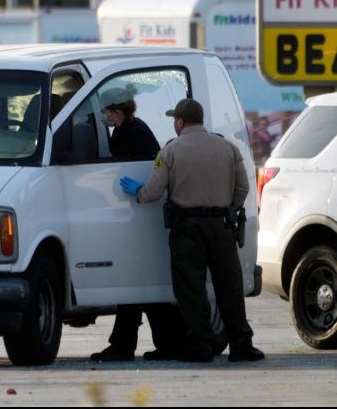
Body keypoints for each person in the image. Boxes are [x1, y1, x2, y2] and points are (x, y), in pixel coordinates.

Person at [120, 98, 264, 362]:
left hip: (187, 228)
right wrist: (227, 208)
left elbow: (153, 192)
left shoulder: (170, 151)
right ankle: (242, 345)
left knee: (191, 289)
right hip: (221, 226)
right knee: (229, 287)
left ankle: (200, 347)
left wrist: (138, 193)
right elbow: (243, 188)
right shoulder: (228, 147)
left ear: (180, 122)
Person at [90, 86, 184, 362]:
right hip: (136, 213)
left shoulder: (135, 133)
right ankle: (156, 344)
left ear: (117, 112)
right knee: (141, 286)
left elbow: (152, 168)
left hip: (142, 212)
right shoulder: (126, 130)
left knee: (139, 284)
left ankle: (127, 345)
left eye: (106, 112)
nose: (103, 118)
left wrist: (141, 188)